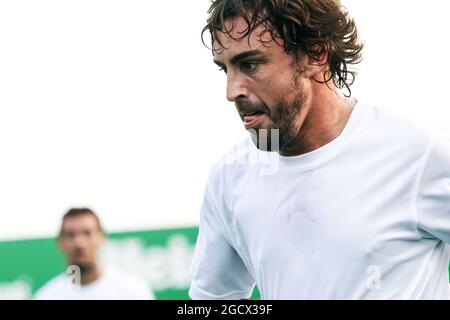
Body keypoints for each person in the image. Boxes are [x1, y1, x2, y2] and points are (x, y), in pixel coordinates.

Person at [189, 0, 450, 299]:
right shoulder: (229, 177)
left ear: (315, 53)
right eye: (226, 69)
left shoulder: (418, 153)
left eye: (250, 64)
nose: (232, 91)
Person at [34, 208, 154, 300]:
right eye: (71, 235)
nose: (79, 243)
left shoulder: (133, 292)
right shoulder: (47, 296)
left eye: (87, 233)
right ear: (60, 242)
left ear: (101, 238)